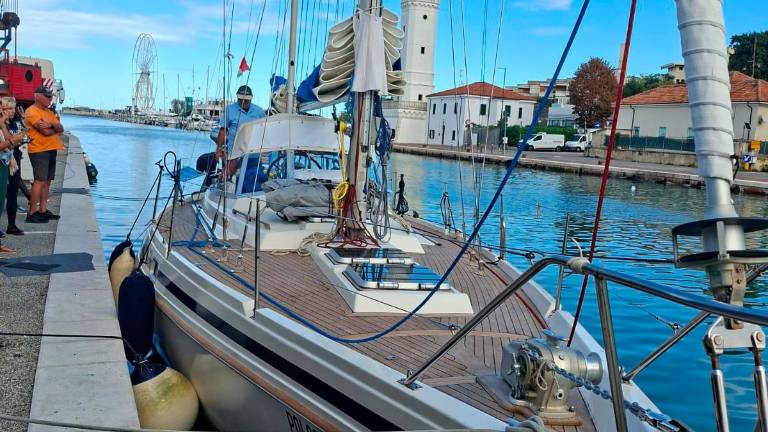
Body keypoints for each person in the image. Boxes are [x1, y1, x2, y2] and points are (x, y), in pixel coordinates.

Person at [24, 86, 64, 223]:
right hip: (39, 150)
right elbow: (45, 132)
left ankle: (43, 210)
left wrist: (52, 124)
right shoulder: (32, 111)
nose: (50, 99)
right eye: (47, 96)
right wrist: (55, 128)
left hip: (51, 148)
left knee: (47, 181)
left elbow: (61, 128)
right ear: (37, 96)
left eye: (50, 96)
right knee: (39, 181)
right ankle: (32, 213)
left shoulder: (48, 112)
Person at [216, 85, 266, 165]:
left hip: (254, 155)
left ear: (251, 98)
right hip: (234, 155)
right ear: (237, 98)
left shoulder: (259, 111)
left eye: (246, 100)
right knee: (232, 177)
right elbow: (223, 130)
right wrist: (218, 149)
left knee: (253, 176)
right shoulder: (230, 109)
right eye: (241, 99)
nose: (244, 102)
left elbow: (264, 131)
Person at [3, 98, 24, 235]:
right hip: (5, 158)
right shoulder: (2, 124)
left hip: (15, 157)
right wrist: (15, 140)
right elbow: (10, 141)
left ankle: (11, 225)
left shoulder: (13, 122)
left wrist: (23, 120)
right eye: (9, 108)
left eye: (13, 108)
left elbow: (19, 139)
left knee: (13, 192)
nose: (12, 111)